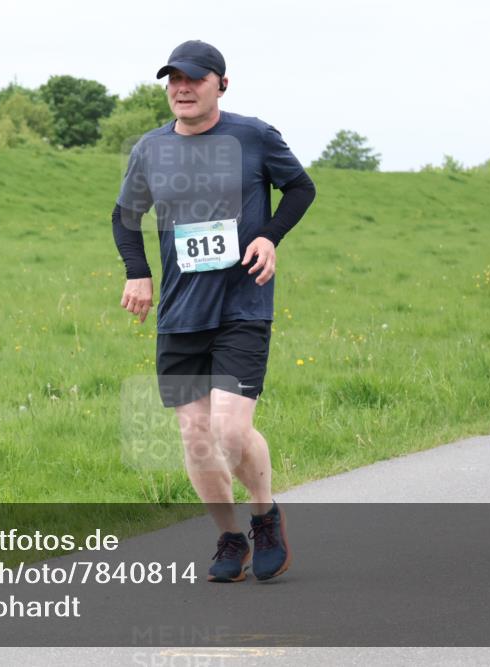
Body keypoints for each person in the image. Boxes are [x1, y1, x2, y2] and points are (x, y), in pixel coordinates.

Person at [112, 40, 315, 582]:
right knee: (195, 438)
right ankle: (229, 536)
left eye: (195, 79)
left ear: (221, 85)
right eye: (174, 79)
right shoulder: (150, 149)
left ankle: (265, 516)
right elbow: (124, 217)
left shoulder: (254, 136)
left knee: (228, 430)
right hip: (180, 314)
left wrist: (269, 236)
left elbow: (300, 188)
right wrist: (137, 271)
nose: (182, 88)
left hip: (241, 305)